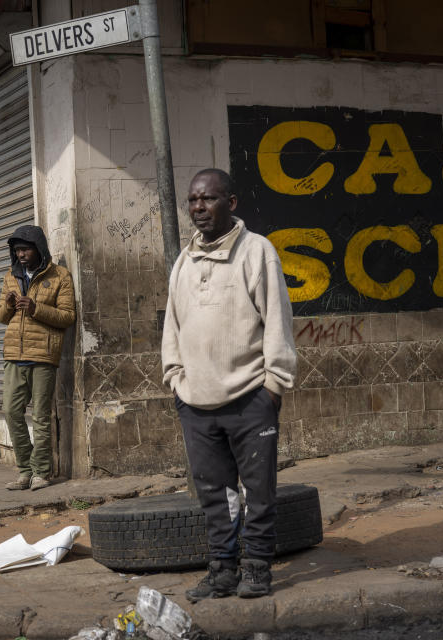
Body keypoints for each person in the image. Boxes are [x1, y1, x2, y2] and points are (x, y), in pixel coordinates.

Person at [162, 168, 296, 601]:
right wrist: (175, 380)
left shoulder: (258, 252)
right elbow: (173, 327)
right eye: (193, 201)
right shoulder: (184, 261)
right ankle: (222, 569)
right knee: (215, 494)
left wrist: (273, 385)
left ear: (231, 203)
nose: (199, 207)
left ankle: (256, 567)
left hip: (250, 396)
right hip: (196, 403)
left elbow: (277, 320)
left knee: (258, 491)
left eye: (209, 199)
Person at [0, 225, 75, 491]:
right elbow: (0, 317)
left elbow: (67, 316)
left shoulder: (60, 276)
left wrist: (36, 308)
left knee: (41, 417)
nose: (20, 255)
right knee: (11, 412)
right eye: (17, 251)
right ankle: (25, 471)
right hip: (14, 356)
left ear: (39, 249)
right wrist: (8, 305)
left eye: (25, 249)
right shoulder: (11, 276)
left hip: (43, 356)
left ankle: (41, 472)